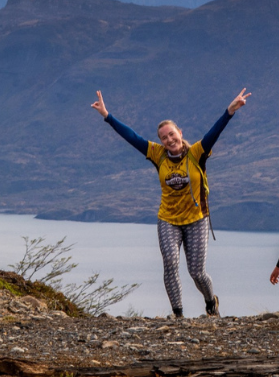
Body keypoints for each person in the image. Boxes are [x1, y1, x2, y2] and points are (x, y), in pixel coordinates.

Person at [91, 88, 250, 318]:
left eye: (172, 134)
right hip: (168, 219)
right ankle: (178, 314)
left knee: (197, 272)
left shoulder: (197, 152)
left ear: (180, 133)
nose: (169, 140)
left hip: (197, 219)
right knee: (170, 263)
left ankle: (210, 301)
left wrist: (230, 111)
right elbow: (132, 137)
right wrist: (107, 116)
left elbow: (214, 132)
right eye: (164, 138)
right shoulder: (158, 154)